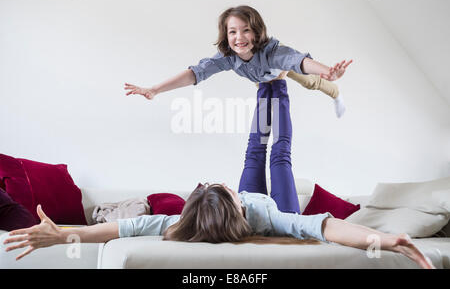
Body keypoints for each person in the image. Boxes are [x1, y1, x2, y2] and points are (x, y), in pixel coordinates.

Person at [3, 79, 435, 269]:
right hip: (276, 208)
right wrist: (386, 240)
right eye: (222, 186)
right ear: (237, 205)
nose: (222, 182)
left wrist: (61, 233)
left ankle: (266, 85)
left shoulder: (173, 225)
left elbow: (113, 231)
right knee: (278, 155)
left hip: (235, 214)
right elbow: (330, 228)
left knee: (253, 152)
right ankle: (277, 87)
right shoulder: (268, 216)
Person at [124, 5, 352, 118]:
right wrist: (155, 89)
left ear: (257, 32)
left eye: (246, 30)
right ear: (226, 35)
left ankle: (336, 93)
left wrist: (327, 71)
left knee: (310, 82)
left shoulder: (274, 53)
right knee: (267, 102)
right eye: (232, 32)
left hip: (277, 69)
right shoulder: (227, 57)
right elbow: (195, 73)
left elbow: (298, 61)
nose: (239, 37)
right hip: (259, 78)